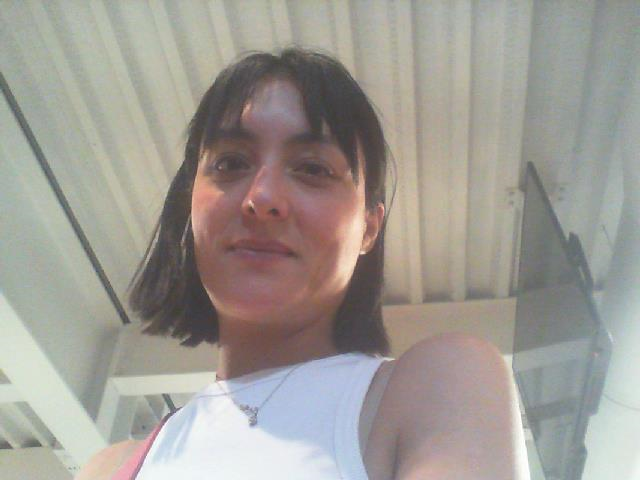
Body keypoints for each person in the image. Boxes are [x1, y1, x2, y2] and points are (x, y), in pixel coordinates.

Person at [76, 48, 529, 479]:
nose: (262, 197)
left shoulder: (439, 386)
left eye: (313, 169)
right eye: (230, 163)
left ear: (369, 228)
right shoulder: (110, 468)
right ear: (189, 204)